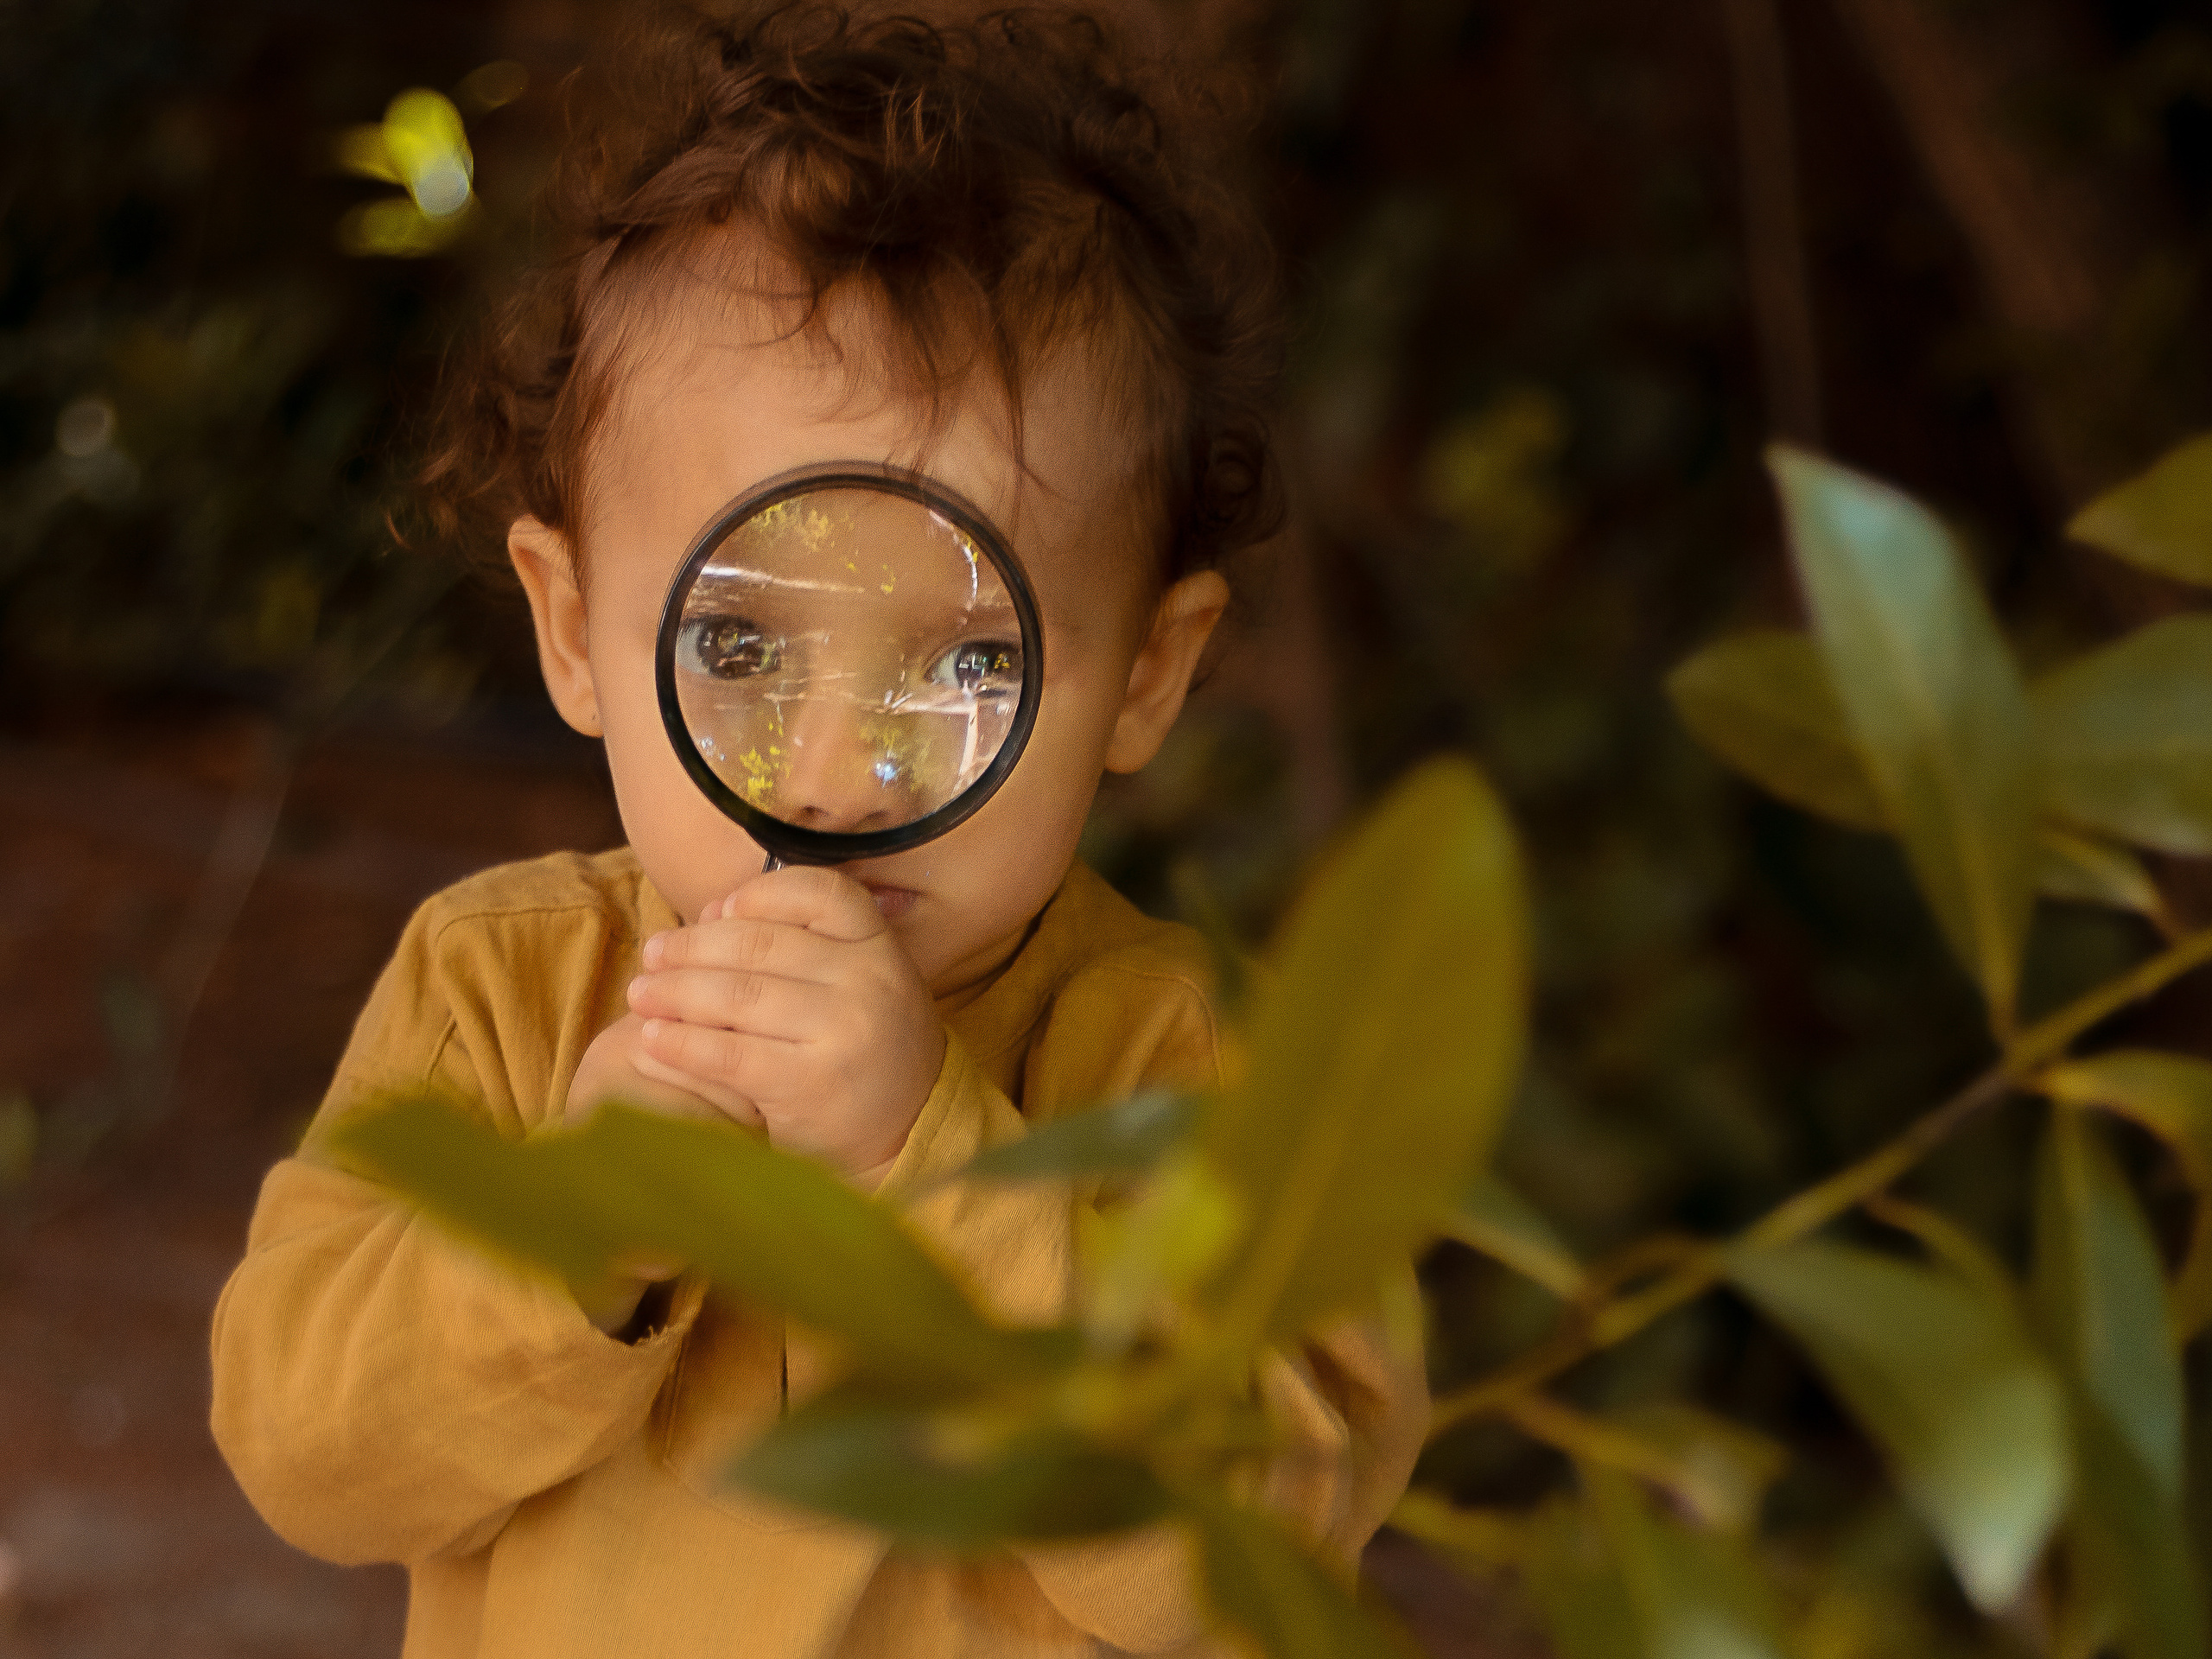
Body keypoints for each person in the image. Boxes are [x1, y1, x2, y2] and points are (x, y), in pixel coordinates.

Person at [209, 6, 1427, 1656]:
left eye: (969, 661)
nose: (841, 777)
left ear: (1147, 673)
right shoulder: (496, 991)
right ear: (573, 633)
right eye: (739, 645)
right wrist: (577, 1225)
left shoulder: (1189, 1073)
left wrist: (936, 1169)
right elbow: (305, 1459)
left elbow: (1251, 1559)